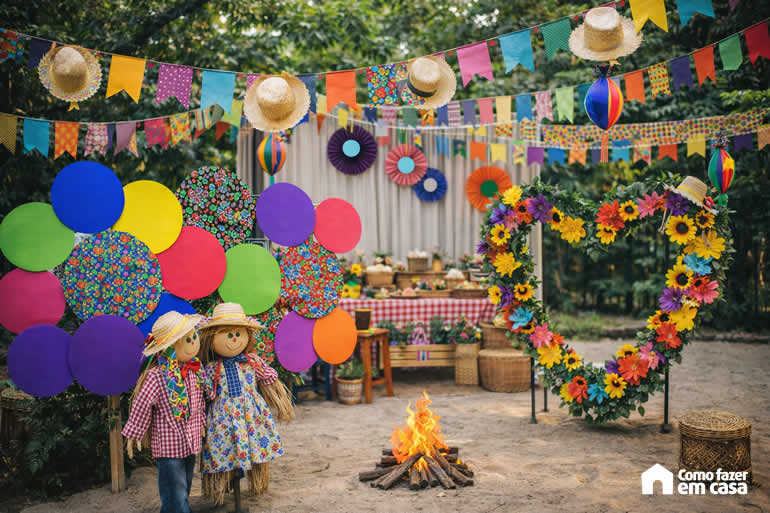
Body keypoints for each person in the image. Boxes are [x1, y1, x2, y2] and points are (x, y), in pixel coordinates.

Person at [198, 302, 293, 504]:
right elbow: (204, 393)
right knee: (223, 450)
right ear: (211, 338)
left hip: (251, 416)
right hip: (223, 418)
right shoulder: (210, 368)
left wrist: (282, 403)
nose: (234, 339)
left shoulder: (252, 362)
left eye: (238, 333)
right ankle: (225, 485)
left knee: (254, 447)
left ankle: (253, 480)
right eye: (227, 334)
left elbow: (269, 381)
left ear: (247, 335)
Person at [122, 311, 209, 513]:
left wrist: (204, 423)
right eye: (187, 339)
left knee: (184, 486)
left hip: (190, 441)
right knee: (174, 491)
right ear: (170, 346)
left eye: (194, 336)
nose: (194, 342)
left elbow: (202, 400)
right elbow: (142, 403)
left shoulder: (195, 370)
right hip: (169, 445)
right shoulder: (157, 376)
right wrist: (135, 433)